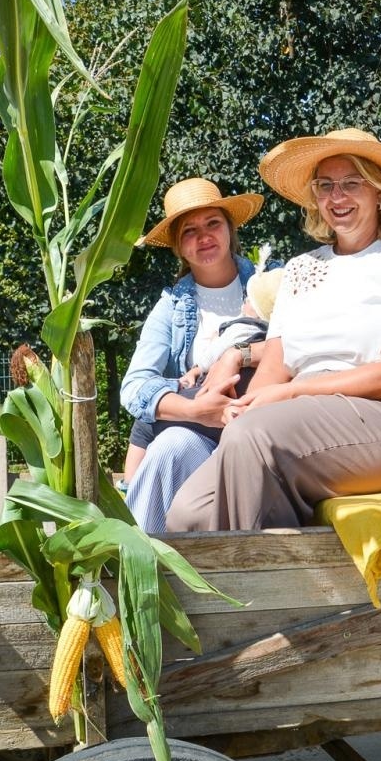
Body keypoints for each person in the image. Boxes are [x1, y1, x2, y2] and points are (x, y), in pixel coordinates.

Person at [165, 128, 381, 531]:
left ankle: (256, 570)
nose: (337, 197)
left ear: (379, 191)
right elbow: (274, 368)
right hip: (302, 420)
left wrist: (291, 393)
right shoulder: (300, 268)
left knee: (254, 439)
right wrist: (245, 407)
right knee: (187, 513)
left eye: (352, 183)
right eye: (325, 185)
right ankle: (284, 563)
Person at [120, 177, 270, 532]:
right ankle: (138, 555)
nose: (203, 237)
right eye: (190, 230)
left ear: (230, 229)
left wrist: (239, 354)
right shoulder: (171, 307)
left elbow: (304, 342)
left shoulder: (270, 282)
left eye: (212, 223)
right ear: (178, 245)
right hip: (202, 436)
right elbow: (134, 387)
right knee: (170, 446)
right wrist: (196, 411)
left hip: (264, 419)